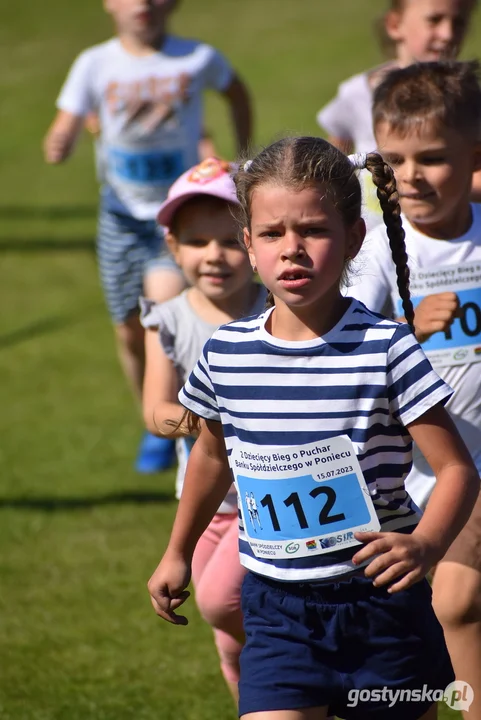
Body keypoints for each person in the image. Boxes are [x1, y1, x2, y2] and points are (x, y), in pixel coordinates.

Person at [147, 136, 480, 719]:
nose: (292, 250)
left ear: (354, 238)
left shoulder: (387, 347)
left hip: (382, 606)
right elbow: (209, 456)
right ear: (249, 244)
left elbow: (456, 468)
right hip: (276, 612)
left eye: (314, 231)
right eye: (273, 234)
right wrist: (178, 550)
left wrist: (426, 545)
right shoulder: (226, 353)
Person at [43, 0, 253, 471]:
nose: (143, 4)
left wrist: (242, 154)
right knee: (127, 328)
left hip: (180, 216)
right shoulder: (94, 63)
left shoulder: (195, 57)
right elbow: (67, 121)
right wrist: (61, 139)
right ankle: (152, 412)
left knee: (163, 302)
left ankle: (176, 422)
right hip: (119, 215)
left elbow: (236, 93)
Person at [349, 60, 481, 719]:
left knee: (457, 603)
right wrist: (405, 329)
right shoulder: (376, 252)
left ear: (473, 155)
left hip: (472, 471)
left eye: (431, 158)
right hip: (401, 483)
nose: (410, 177)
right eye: (394, 160)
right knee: (410, 650)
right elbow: (337, 360)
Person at [141, 157, 266, 701]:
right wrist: (205, 418)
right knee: (227, 636)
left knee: (218, 600)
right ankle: (264, 699)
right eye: (196, 242)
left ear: (253, 243)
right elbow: (155, 411)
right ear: (173, 247)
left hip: (270, 492)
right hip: (206, 497)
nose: (213, 255)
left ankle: (294, 661)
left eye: (229, 241)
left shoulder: (278, 307)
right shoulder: (166, 318)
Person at [316, 0, 479, 228]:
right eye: (434, 20)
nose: (448, 34)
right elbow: (332, 165)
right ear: (394, 24)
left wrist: (442, 185)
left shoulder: (468, 99)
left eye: (459, 23)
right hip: (372, 241)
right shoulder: (358, 93)